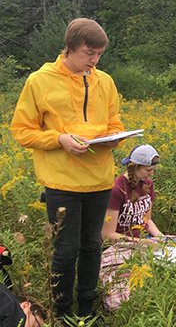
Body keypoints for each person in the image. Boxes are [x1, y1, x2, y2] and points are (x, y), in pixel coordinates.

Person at [10, 18, 124, 319]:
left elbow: (115, 124)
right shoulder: (40, 81)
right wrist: (59, 139)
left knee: (92, 246)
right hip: (62, 184)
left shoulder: (106, 82)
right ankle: (62, 314)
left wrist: (112, 139)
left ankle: (87, 311)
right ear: (70, 47)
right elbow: (22, 131)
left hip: (100, 181)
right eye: (89, 53)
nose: (95, 61)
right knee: (65, 251)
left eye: (99, 54)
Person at [102, 144, 170, 245]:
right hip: (122, 244)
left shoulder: (148, 184)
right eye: (148, 170)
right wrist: (139, 242)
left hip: (143, 239)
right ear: (135, 167)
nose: (151, 173)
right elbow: (107, 235)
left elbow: (147, 220)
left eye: (153, 169)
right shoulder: (117, 190)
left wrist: (163, 239)